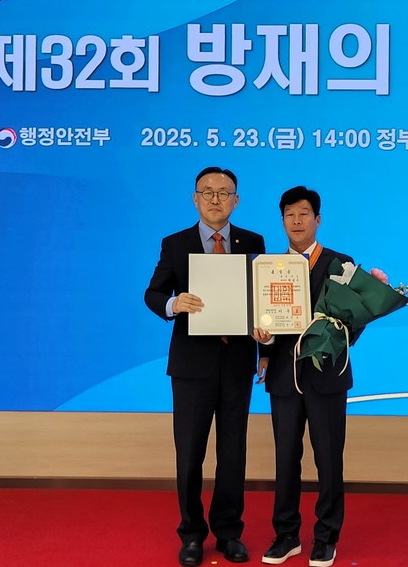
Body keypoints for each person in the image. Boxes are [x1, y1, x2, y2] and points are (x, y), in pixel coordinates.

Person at [144, 166, 265, 567]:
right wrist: (173, 303)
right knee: (190, 452)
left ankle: (229, 532)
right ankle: (192, 534)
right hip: (191, 366)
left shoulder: (253, 242)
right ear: (195, 198)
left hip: (237, 362)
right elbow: (153, 292)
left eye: (224, 192)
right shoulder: (175, 243)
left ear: (236, 200)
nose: (215, 199)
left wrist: (266, 348)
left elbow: (261, 299)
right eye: (207, 192)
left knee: (233, 453)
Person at [252, 186, 359, 567]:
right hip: (284, 376)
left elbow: (355, 321)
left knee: (328, 458)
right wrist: (263, 341)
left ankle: (326, 536)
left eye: (303, 214)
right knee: (285, 458)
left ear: (317, 219)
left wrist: (332, 336)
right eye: (289, 215)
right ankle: (286, 534)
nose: (296, 221)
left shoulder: (341, 264)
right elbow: (263, 319)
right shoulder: (269, 267)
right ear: (282, 221)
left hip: (327, 376)